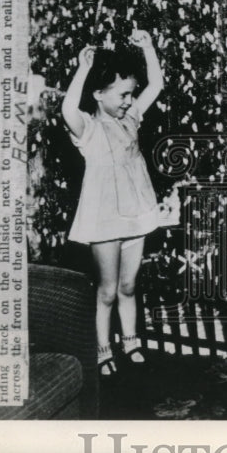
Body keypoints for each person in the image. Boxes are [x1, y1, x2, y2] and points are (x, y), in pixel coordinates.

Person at [61, 31, 163, 377]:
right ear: (98, 95)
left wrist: (148, 48)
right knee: (106, 290)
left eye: (130, 94)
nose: (127, 100)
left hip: (135, 213)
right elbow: (66, 108)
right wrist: (82, 68)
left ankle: (131, 340)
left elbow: (157, 86)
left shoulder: (131, 118)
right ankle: (103, 348)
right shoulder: (88, 129)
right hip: (105, 217)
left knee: (129, 286)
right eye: (121, 94)